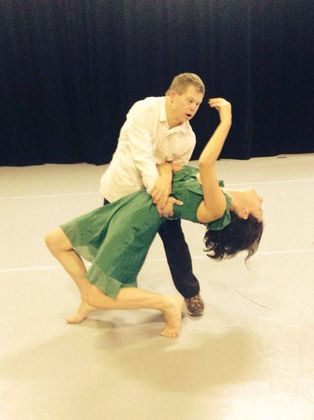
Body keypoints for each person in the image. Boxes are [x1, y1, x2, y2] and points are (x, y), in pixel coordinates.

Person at [45, 98, 264, 338]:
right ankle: (88, 297)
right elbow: (167, 165)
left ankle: (166, 303)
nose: (262, 202)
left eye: (260, 210)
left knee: (101, 289)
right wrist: (166, 178)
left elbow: (205, 162)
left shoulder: (217, 208)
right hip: (133, 201)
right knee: (55, 241)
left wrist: (227, 119)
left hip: (139, 215)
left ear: (244, 214)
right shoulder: (219, 194)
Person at [99, 73, 206, 316]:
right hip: (121, 190)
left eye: (198, 104)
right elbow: (141, 156)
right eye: (189, 100)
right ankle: (101, 289)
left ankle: (191, 292)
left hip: (160, 197)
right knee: (109, 242)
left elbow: (176, 169)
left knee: (175, 241)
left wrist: (166, 180)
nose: (193, 108)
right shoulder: (143, 110)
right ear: (171, 95)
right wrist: (161, 181)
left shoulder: (188, 138)